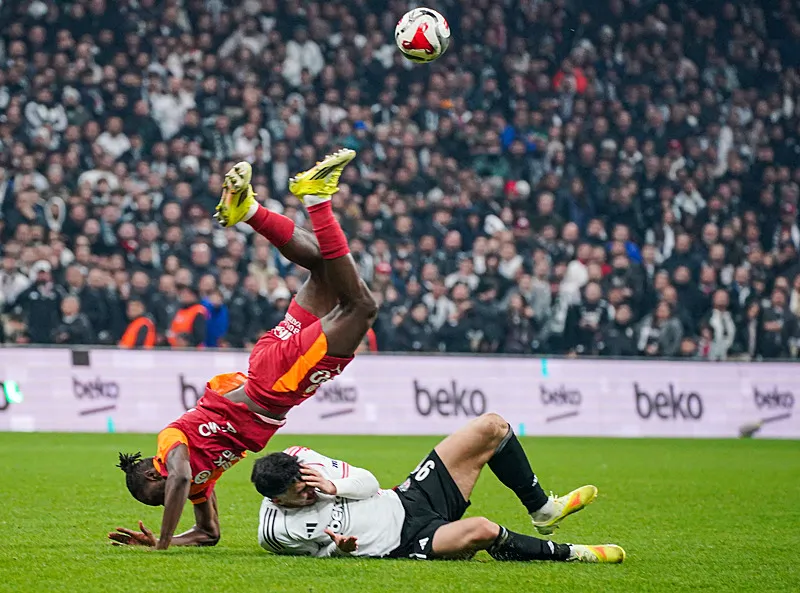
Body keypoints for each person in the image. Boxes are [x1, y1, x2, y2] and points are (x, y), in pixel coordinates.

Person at [109, 150, 378, 550]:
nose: (172, 500)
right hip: (268, 370)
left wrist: (162, 542)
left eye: (161, 498)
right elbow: (208, 534)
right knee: (324, 266)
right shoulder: (200, 481)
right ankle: (249, 209)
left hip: (276, 384)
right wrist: (173, 540)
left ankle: (317, 197)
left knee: (361, 307)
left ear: (153, 474)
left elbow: (179, 479)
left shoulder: (171, 445)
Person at [252, 413, 624, 563]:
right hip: (407, 542)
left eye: (307, 482)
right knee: (483, 529)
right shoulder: (275, 533)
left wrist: (334, 485)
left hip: (407, 497)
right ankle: (575, 554)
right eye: (299, 494)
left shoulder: (304, 459)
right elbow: (319, 558)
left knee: (491, 427)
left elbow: (369, 484)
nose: (308, 492)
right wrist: (339, 549)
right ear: (275, 499)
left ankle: (542, 508)